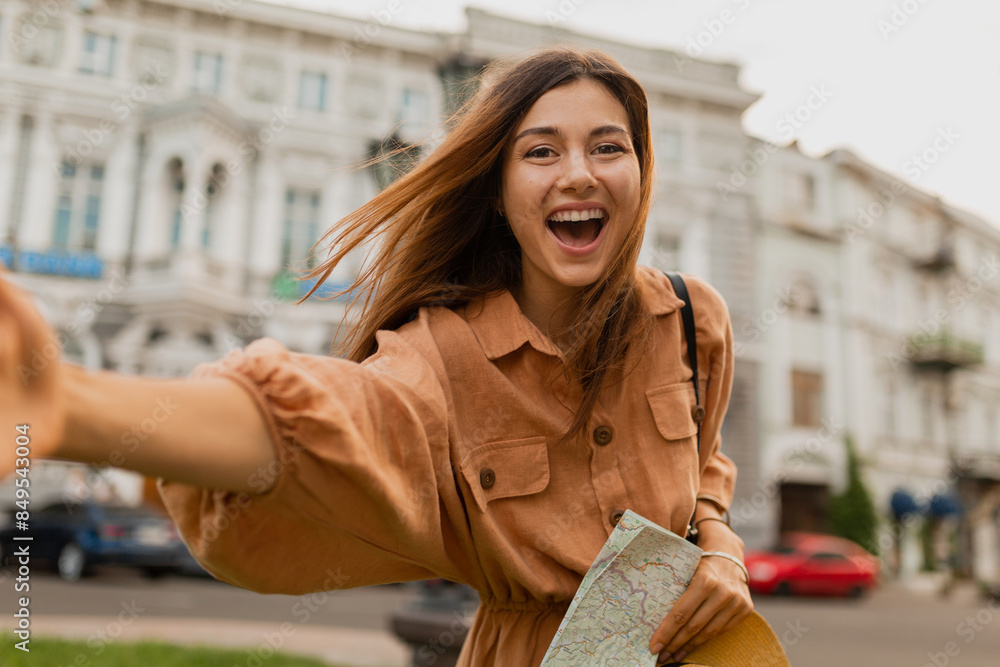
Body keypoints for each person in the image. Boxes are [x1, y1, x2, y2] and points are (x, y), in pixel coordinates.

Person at [0, 46, 753, 665]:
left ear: (641, 172)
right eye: (542, 150)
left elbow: (704, 466)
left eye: (608, 146)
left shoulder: (691, 319)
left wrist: (720, 550)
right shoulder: (441, 354)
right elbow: (315, 422)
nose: (580, 172)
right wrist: (65, 407)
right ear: (499, 191)